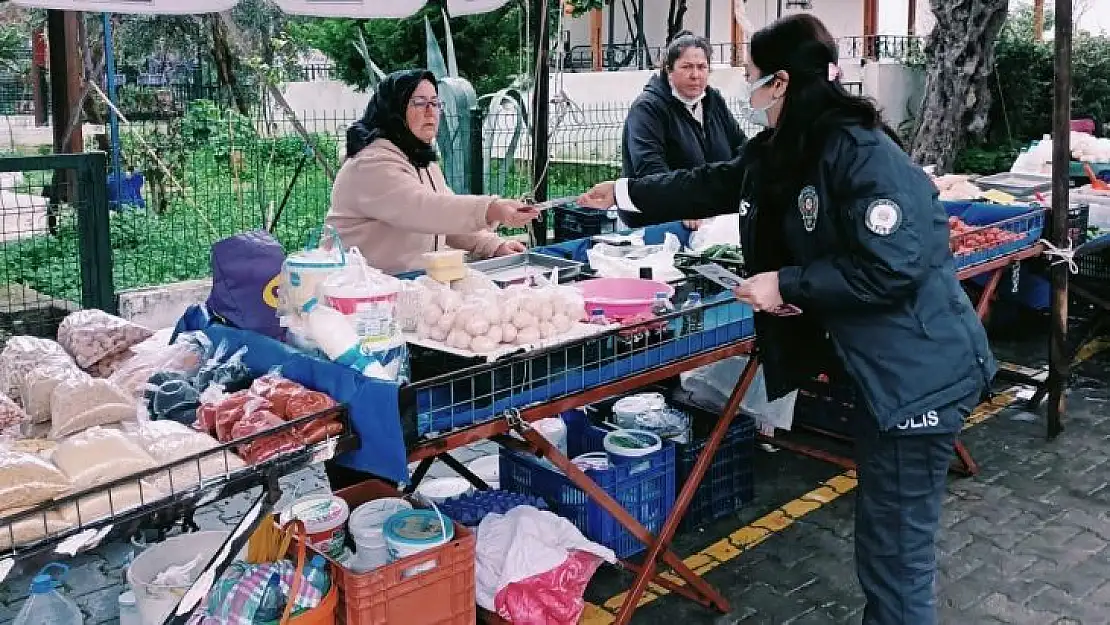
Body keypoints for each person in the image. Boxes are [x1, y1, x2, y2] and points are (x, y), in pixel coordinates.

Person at [577, 14, 996, 625]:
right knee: (885, 543)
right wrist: (623, 194)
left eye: (750, 77)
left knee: (895, 551)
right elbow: (717, 182)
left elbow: (894, 264)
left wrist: (788, 283)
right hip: (884, 370)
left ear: (780, 81)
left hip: (915, 374)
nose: (743, 89)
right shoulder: (793, 145)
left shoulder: (857, 151)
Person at [326, 69, 538, 274]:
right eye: (419, 102)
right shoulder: (371, 164)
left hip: (406, 283)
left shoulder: (420, 160)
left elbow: (445, 221)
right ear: (395, 110)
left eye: (435, 103)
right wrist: (491, 208)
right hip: (358, 291)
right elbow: (425, 209)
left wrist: (492, 245)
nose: (431, 111)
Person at [619, 31, 747, 231]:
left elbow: (740, 148)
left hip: (711, 219)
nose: (695, 75)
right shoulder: (648, 108)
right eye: (686, 67)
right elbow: (649, 169)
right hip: (658, 225)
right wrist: (682, 205)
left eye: (702, 67)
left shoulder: (713, 101)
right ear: (669, 70)